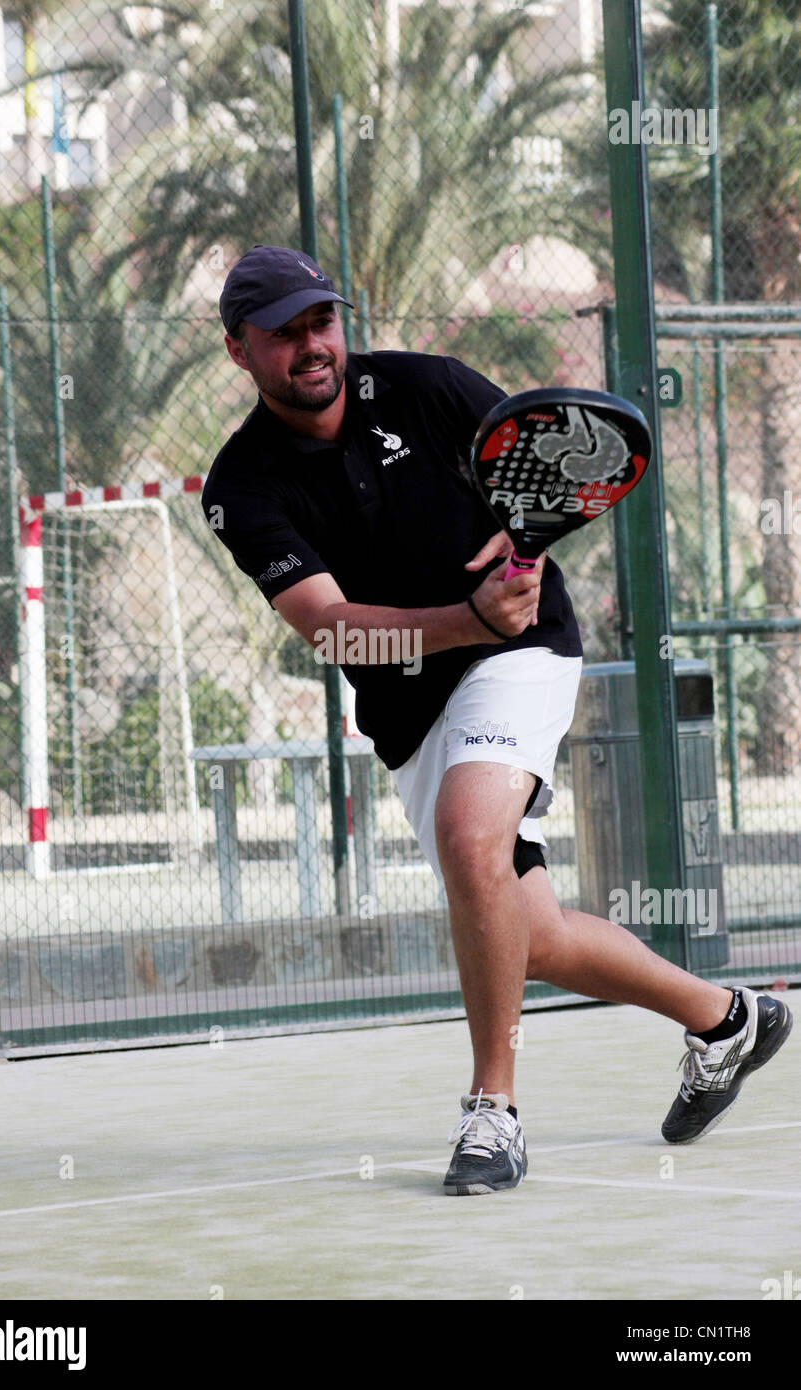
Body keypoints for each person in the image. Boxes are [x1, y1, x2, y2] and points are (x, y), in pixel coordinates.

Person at [202, 244, 792, 1195]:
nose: (312, 346)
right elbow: (333, 634)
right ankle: (730, 1020)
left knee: (470, 837)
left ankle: (493, 1113)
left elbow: (553, 471)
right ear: (240, 351)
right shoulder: (242, 486)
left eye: (322, 321)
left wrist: (506, 588)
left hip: (520, 656)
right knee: (526, 931)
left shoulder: (432, 391)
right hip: (412, 704)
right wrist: (461, 618)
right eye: (284, 334)